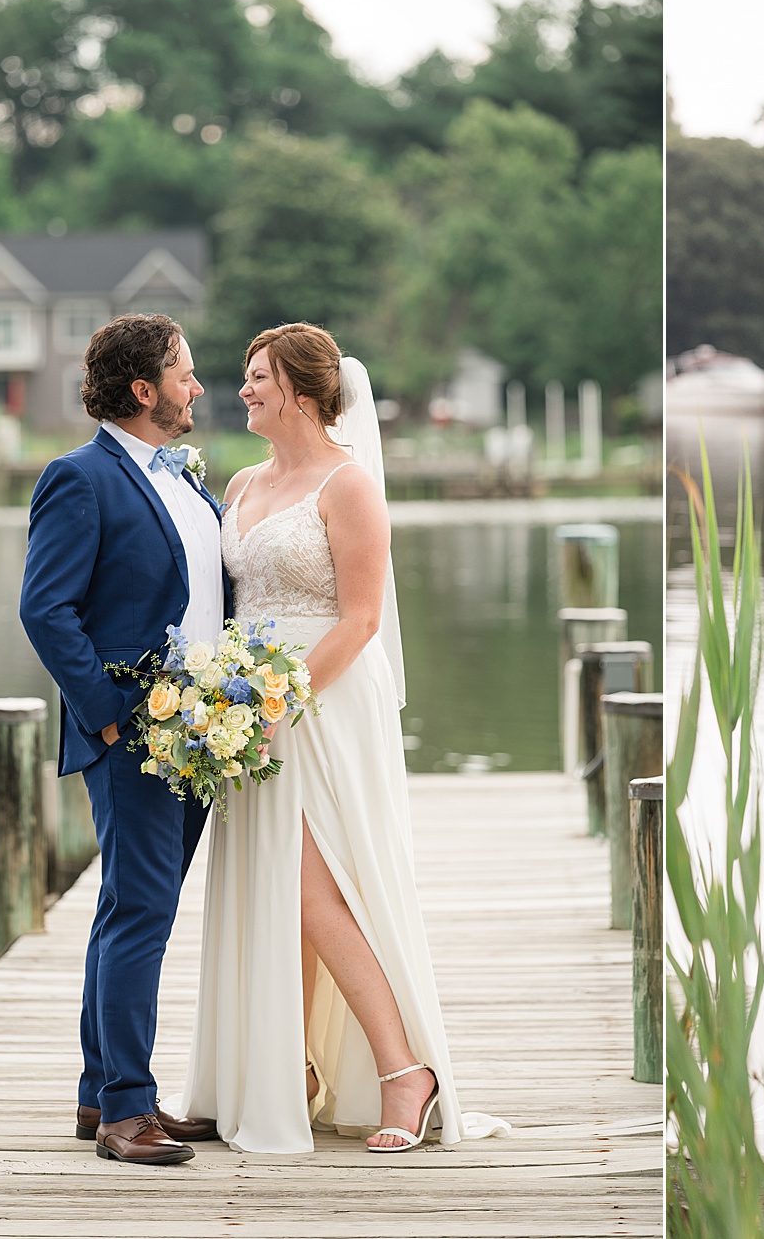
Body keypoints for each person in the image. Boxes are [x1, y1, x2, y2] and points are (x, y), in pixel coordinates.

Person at [176, 322, 508, 1153]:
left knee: (314, 890)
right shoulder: (244, 482)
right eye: (245, 376)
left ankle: (406, 1070)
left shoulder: (350, 485)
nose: (243, 388)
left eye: (258, 376)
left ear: (303, 388)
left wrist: (282, 700)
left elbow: (361, 618)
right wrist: (220, 697)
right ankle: (292, 1069)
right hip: (246, 707)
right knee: (271, 887)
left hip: (321, 703)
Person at [19, 312, 224, 1165]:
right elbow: (45, 607)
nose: (197, 386)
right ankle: (127, 1113)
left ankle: (99, 1091)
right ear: (144, 389)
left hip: (204, 735)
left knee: (128, 909)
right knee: (141, 911)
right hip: (134, 733)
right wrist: (106, 710)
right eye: (184, 372)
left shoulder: (180, 476)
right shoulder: (81, 477)